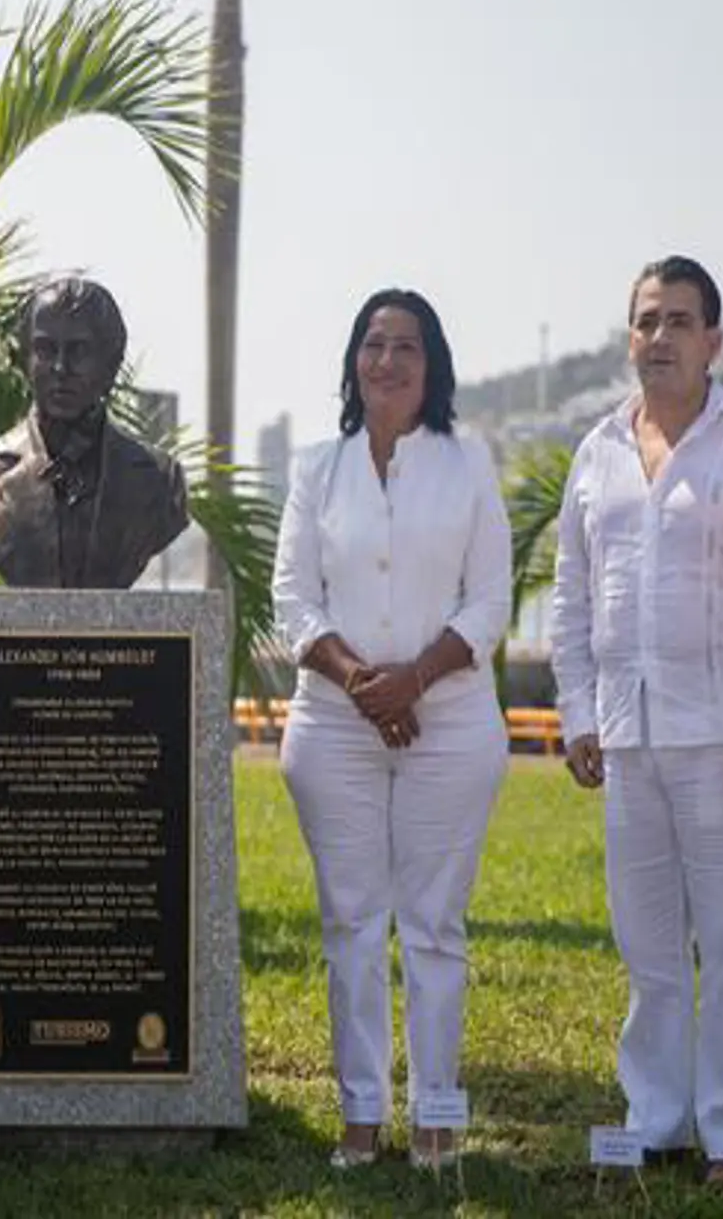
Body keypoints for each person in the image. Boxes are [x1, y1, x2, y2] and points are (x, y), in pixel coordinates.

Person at [550, 256, 723, 1199]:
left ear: (714, 342)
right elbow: (572, 601)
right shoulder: (596, 452)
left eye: (680, 321)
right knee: (648, 947)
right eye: (647, 321)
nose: (660, 337)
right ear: (629, 338)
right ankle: (655, 1121)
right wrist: (578, 714)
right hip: (627, 740)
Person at [271, 287, 511, 1172]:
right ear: (353, 360)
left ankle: (437, 1116)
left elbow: (490, 599)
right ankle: (362, 1115)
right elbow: (292, 598)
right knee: (351, 923)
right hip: (333, 726)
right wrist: (360, 681)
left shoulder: (469, 461)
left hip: (448, 723)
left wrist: (413, 680)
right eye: (373, 343)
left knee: (435, 926)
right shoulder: (314, 468)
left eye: (406, 345)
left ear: (432, 364)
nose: (388, 359)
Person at [0, 276, 189, 589]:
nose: (60, 368)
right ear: (25, 361)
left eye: (78, 352)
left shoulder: (159, 479)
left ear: (110, 365)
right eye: (45, 350)